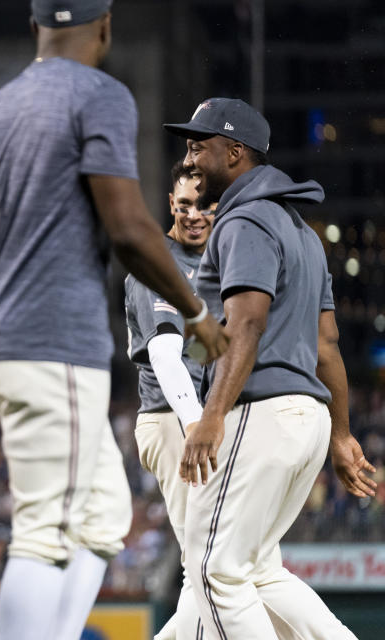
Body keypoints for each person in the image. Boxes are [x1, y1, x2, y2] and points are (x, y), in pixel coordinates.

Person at [0, 1, 229, 639]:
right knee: (46, 532)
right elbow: (126, 228)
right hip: (53, 343)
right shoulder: (101, 95)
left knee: (102, 513)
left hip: (0, 343)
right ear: (105, 26)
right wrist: (198, 311)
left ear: (36, 27)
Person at [167, 97, 373, 639]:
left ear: (235, 152)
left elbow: (248, 325)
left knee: (214, 573)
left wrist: (211, 416)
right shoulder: (302, 232)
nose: (189, 161)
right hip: (306, 417)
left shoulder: (245, 219)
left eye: (198, 147)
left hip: (260, 412)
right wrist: (343, 433)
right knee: (257, 572)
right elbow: (327, 343)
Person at [125, 162, 214, 639]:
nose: (194, 215)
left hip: (197, 421)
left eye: (204, 205)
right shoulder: (157, 260)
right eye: (184, 206)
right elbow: (164, 352)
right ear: (170, 204)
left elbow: (203, 351)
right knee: (206, 559)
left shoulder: (217, 263)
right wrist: (199, 426)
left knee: (210, 561)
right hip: (171, 419)